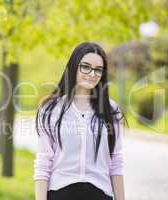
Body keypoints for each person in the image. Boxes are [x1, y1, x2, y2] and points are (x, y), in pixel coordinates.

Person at [34, 42, 128, 200]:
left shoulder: (111, 111)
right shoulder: (51, 110)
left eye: (98, 69)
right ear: (74, 67)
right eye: (86, 66)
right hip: (60, 193)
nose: (92, 74)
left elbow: (116, 162)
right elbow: (43, 163)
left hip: (100, 193)